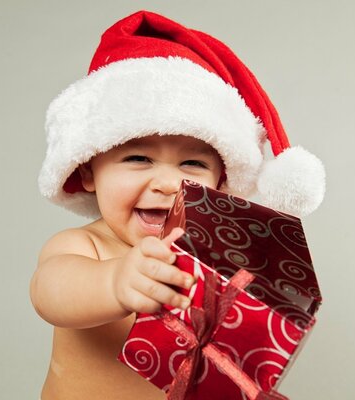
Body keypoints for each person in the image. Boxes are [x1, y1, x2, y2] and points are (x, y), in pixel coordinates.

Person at [30, 10, 325, 400]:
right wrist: (115, 283)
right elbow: (51, 292)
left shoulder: (213, 263)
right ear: (88, 172)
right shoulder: (86, 248)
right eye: (138, 159)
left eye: (192, 164)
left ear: (219, 185)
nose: (168, 182)